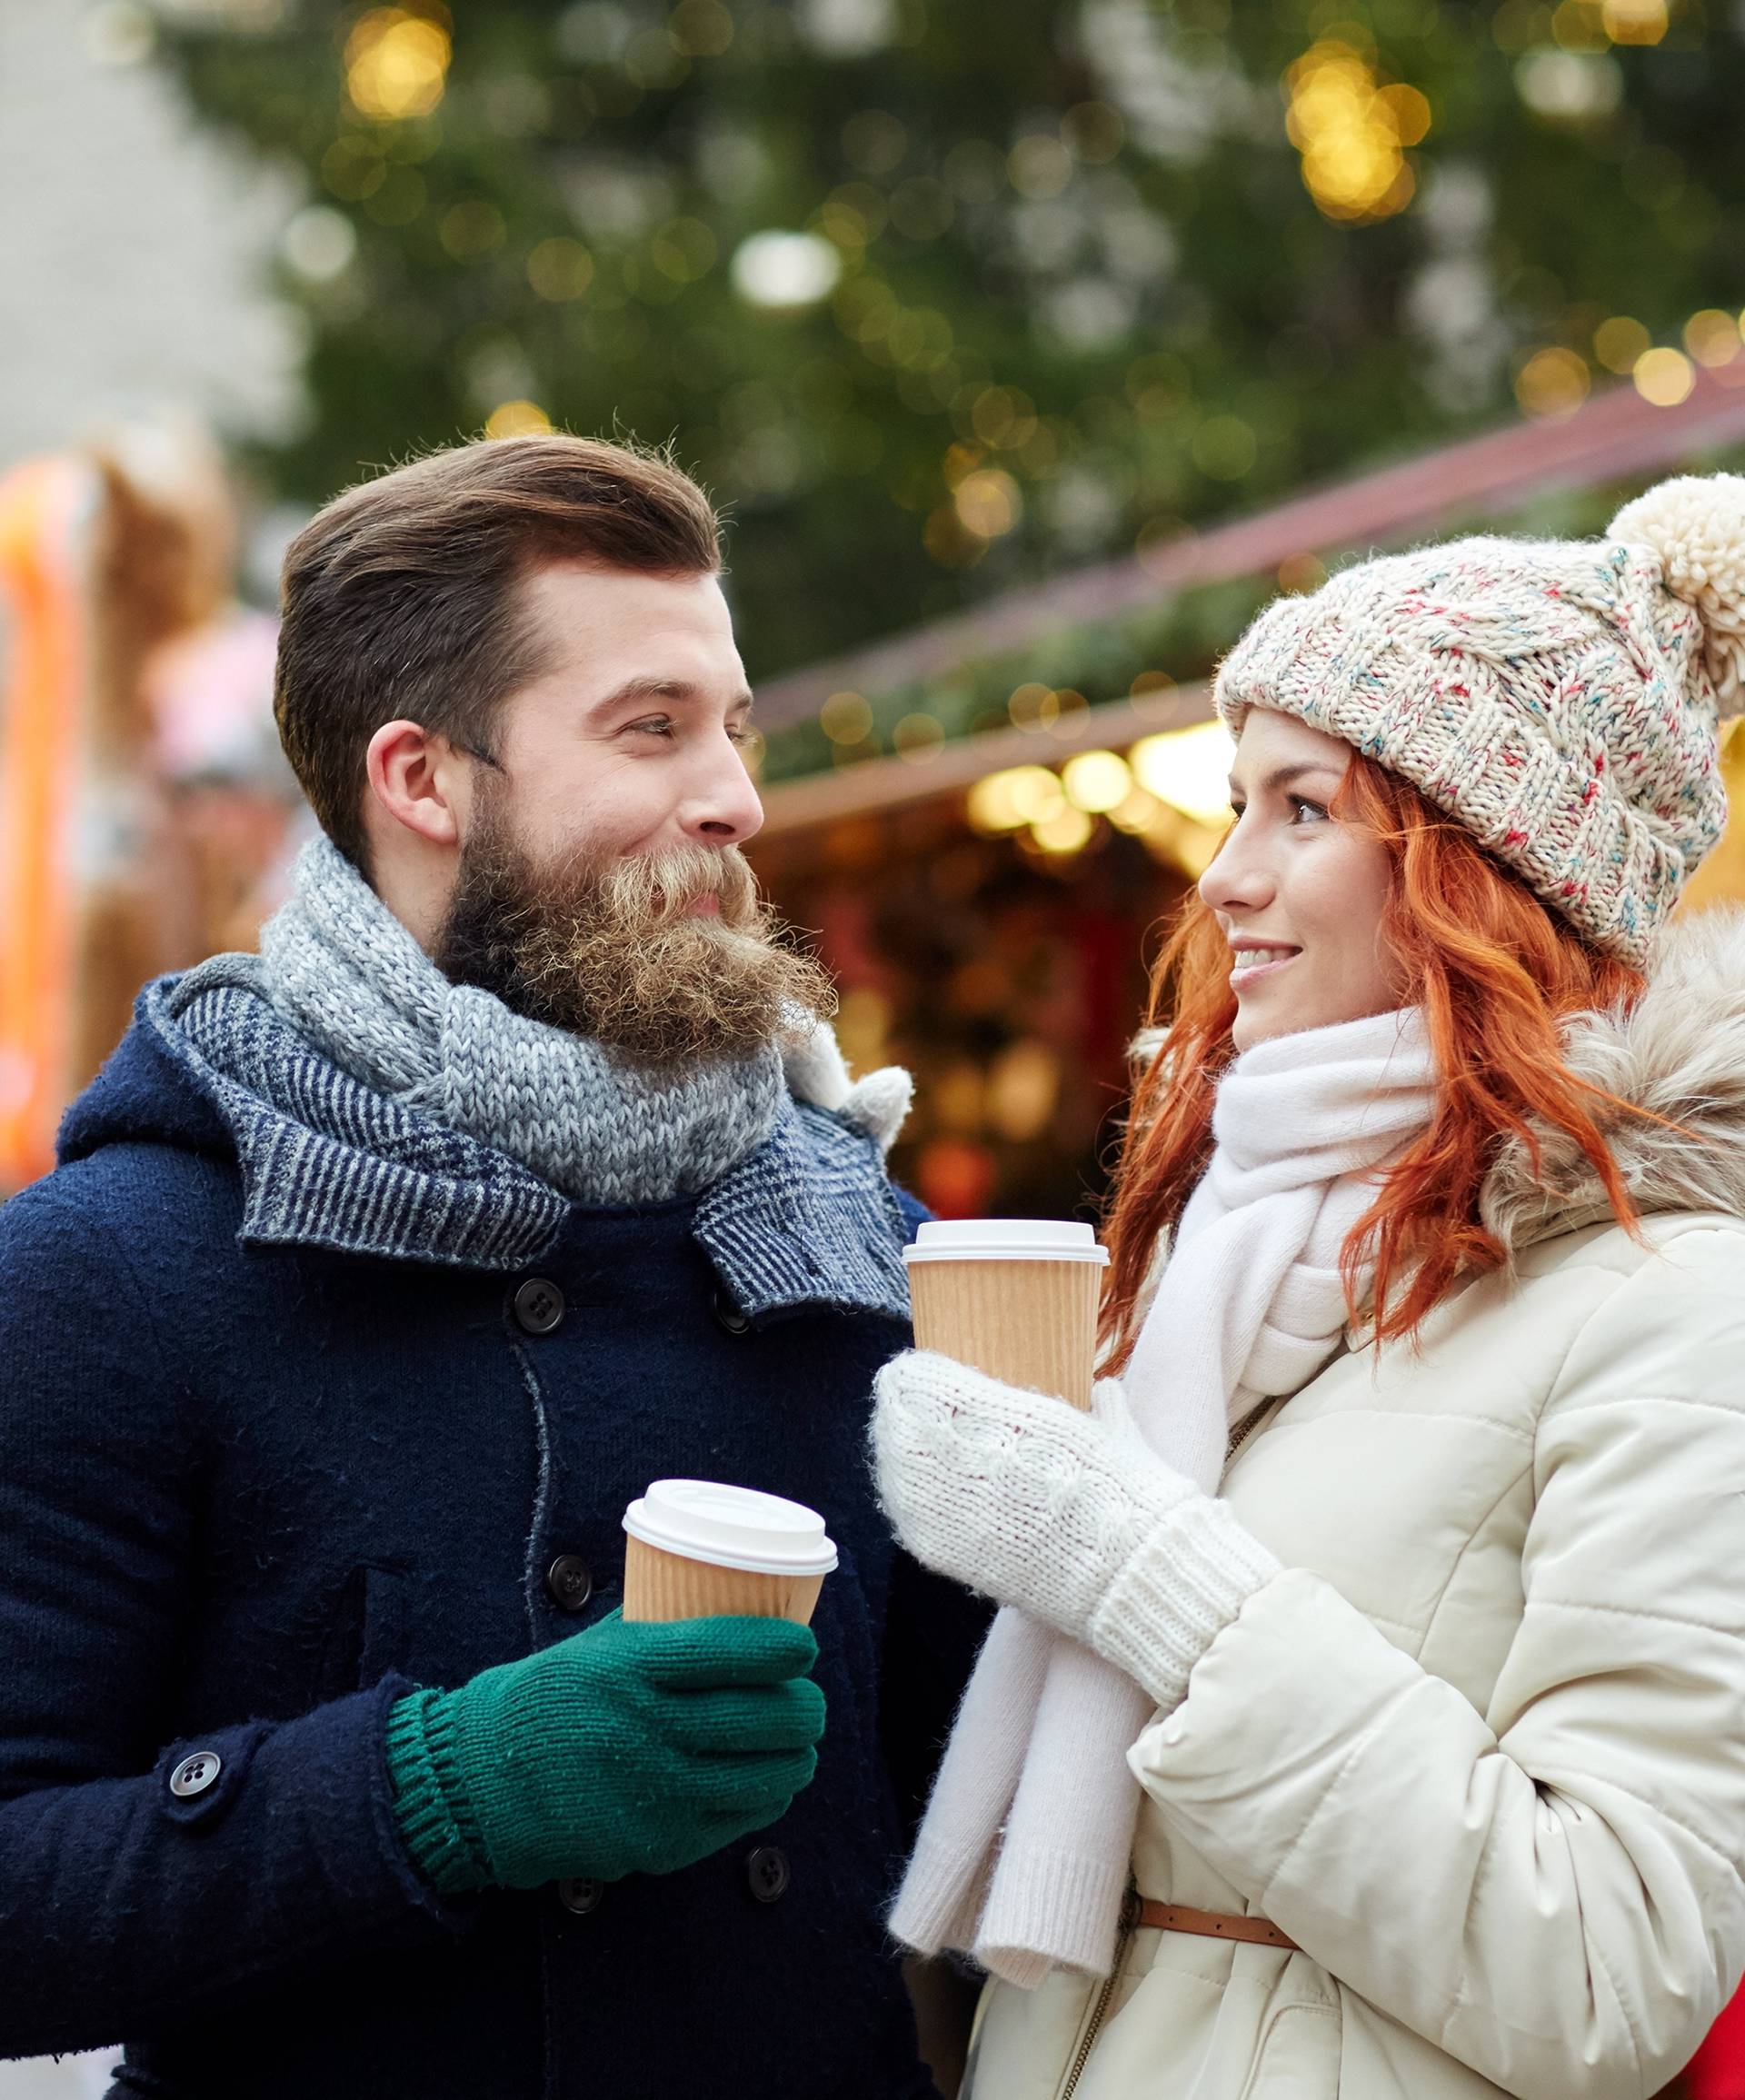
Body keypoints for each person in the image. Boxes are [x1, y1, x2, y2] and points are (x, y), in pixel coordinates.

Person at [0, 434, 987, 2099]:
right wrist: (439, 1792)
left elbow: (995, 1844)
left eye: (731, 729)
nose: (737, 797)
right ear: (423, 780)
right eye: (651, 728)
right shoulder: (119, 1264)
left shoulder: (859, 1247)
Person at [872, 474, 1745, 2099]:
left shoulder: (1679, 1302)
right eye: (1236, 802)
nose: (1222, 878)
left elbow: (1610, 1969)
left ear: (1483, 871)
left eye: (1305, 808)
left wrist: (1138, 1566)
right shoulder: (1230, 1249)